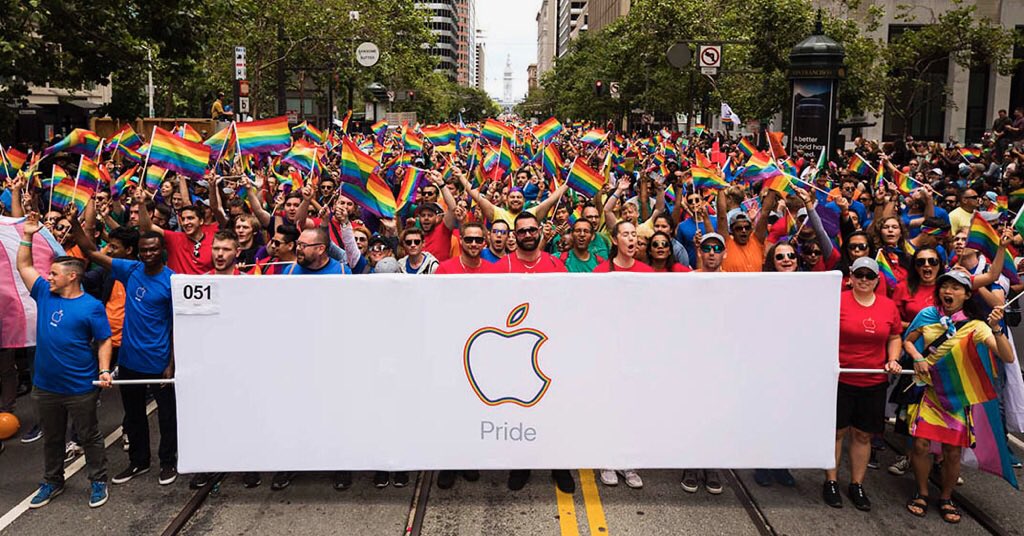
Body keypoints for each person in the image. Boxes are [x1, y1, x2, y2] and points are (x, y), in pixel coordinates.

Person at [903, 271, 1016, 523]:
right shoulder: (927, 315)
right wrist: (918, 357)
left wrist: (997, 328)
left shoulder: (977, 325)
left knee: (952, 452)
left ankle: (945, 497)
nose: (949, 291)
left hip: (957, 398)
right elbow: (908, 341)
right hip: (929, 392)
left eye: (956, 288)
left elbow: (1007, 357)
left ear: (967, 294)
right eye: (945, 286)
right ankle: (921, 492)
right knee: (920, 445)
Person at [17, 213, 112, 509]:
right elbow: (24, 265)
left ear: (72, 276)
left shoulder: (92, 307)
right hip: (45, 386)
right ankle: (52, 481)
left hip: (80, 386)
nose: (48, 277)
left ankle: (98, 481)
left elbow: (104, 340)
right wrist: (28, 235)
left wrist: (105, 369)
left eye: (54, 273)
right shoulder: (45, 293)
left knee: (89, 436)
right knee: (52, 438)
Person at [75, 220, 179, 487]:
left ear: (162, 251)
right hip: (130, 359)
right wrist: (76, 222)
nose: (148, 255)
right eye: (143, 250)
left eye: (153, 250)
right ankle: (139, 462)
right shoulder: (130, 269)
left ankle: (168, 462)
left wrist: (171, 363)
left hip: (159, 361)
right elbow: (89, 251)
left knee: (168, 417)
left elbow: (177, 327)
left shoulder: (172, 282)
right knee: (134, 416)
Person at [488, 213, 574, 494]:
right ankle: (521, 465)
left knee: (554, 412)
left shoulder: (555, 264)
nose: (527, 235)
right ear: (515, 234)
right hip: (516, 351)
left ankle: (560, 466)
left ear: (539, 232)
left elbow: (566, 303)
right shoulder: (501, 266)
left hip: (551, 347)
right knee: (520, 411)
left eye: (531, 230)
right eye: (522, 231)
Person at [827, 257, 903, 511]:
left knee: (862, 434)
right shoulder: (837, 300)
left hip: (873, 380)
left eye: (869, 276)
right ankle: (831, 480)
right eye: (859, 274)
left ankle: (857, 484)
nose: (863, 280)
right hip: (840, 378)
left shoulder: (888, 306)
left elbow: (894, 336)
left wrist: (893, 359)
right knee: (836, 432)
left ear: (877, 280)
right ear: (850, 276)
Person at [137, 188, 218, 275]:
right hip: (175, 287)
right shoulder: (174, 238)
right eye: (183, 219)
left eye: (190, 218)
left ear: (201, 221)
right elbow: (148, 227)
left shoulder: (214, 241)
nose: (186, 222)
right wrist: (141, 203)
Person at [281, 228, 352, 275]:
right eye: (298, 244)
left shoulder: (342, 272)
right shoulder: (290, 271)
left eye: (303, 245)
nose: (298, 248)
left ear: (321, 249)